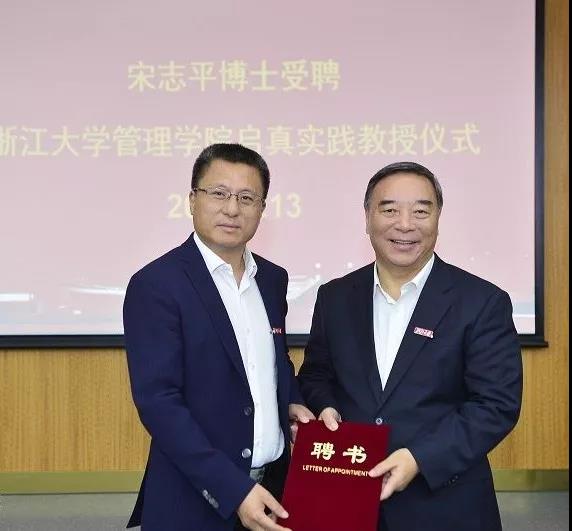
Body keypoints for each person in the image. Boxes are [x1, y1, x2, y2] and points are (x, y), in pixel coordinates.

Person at [297, 161, 522, 531]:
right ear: (367, 218)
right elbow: (316, 375)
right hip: (346, 498)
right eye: (389, 210)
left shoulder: (481, 301)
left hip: (445, 506)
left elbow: (496, 405)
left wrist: (419, 458)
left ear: (438, 218)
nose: (405, 224)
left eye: (420, 211)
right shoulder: (335, 297)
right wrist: (325, 407)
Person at [123, 143, 313, 531]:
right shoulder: (157, 284)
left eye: (247, 198)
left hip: (274, 492)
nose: (232, 209)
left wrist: (291, 401)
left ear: (262, 208)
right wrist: (233, 490)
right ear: (193, 199)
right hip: (194, 500)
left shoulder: (272, 279)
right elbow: (159, 403)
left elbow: (273, 362)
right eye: (219, 193)